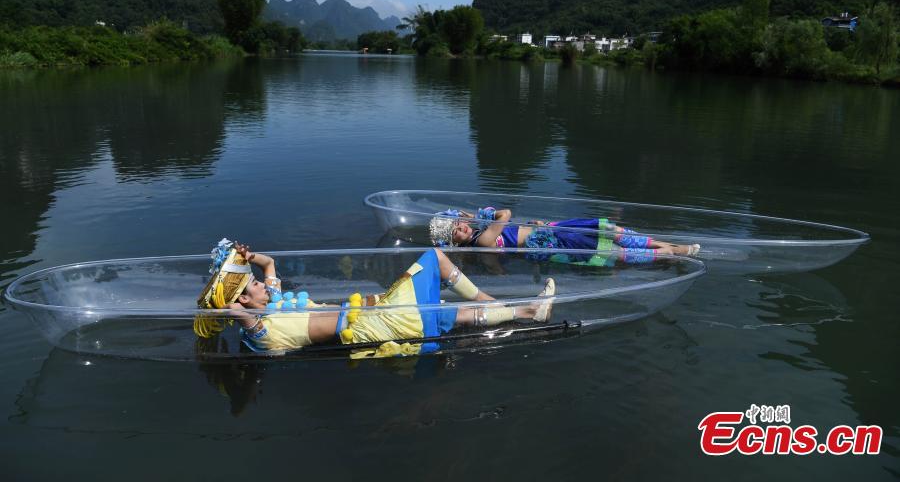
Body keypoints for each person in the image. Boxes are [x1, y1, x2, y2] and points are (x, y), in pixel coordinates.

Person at [194, 239, 555, 358]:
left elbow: (270, 264)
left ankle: (522, 310)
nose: (261, 282)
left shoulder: (271, 301)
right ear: (240, 304)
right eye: (251, 284)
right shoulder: (261, 330)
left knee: (444, 309)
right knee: (435, 268)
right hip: (373, 325)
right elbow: (239, 316)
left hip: (374, 312)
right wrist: (226, 299)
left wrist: (245, 257)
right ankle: (524, 310)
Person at [428, 207, 700, 262]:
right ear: (454, 241)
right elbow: (506, 214)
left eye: (458, 223)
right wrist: (478, 215)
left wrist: (469, 217)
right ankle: (670, 253)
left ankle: (664, 245)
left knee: (609, 230)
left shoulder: (481, 232)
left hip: (548, 229)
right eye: (456, 231)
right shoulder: (484, 240)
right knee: (607, 250)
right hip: (550, 241)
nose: (462, 227)